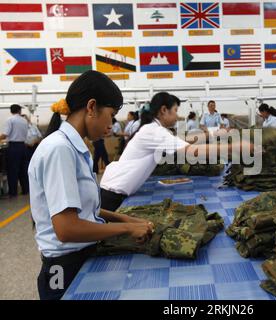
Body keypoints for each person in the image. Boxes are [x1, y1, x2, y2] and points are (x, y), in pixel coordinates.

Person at [28, 70, 154, 300]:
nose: (111, 124)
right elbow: (67, 229)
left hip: (82, 257)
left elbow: (85, 210)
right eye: (111, 114)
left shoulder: (75, 147)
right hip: (63, 271)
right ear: (91, 107)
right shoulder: (59, 149)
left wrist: (125, 218)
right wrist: (126, 229)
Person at [100, 92, 253, 211]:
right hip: (113, 194)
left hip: (115, 189)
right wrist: (236, 147)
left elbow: (184, 141)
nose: (177, 116)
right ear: (163, 110)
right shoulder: (154, 132)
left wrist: (212, 134)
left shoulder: (154, 129)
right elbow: (191, 151)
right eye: (175, 110)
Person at [0, 104, 29, 197]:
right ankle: (25, 190)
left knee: (13, 169)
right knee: (23, 169)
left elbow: (5, 135)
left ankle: (13, 192)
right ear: (19, 111)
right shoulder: (24, 121)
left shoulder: (10, 120)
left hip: (13, 147)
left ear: (11, 111)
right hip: (23, 146)